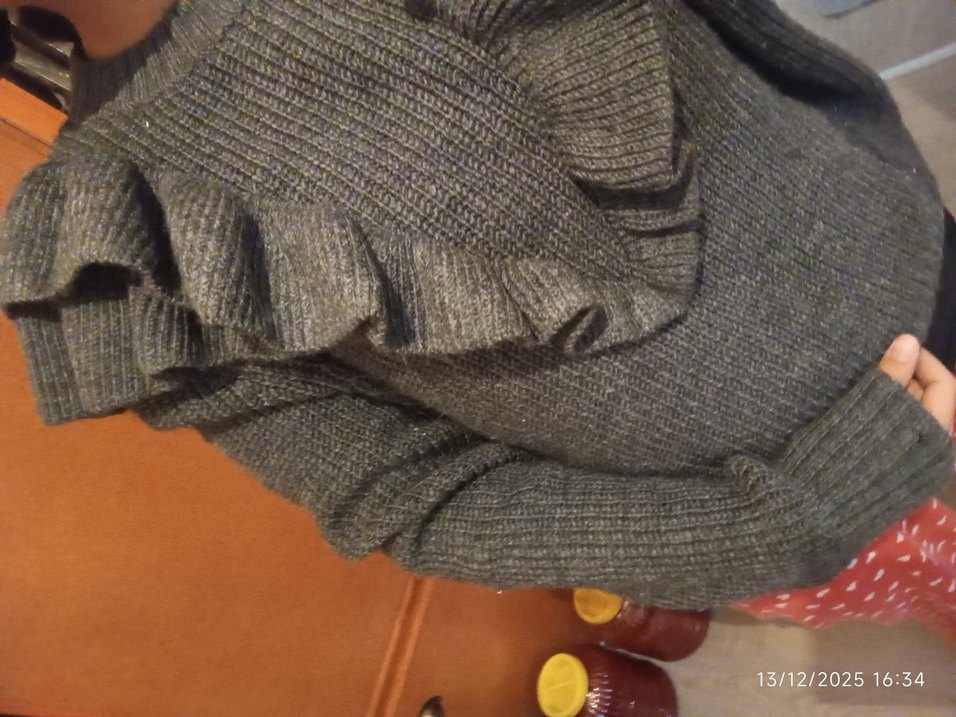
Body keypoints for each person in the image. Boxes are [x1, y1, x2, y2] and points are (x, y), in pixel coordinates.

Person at [0, 0, 954, 610]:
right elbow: (412, 496)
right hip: (828, 483)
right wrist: (789, 523)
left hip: (900, 228)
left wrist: (856, 127)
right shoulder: (115, 231)